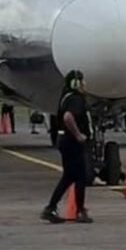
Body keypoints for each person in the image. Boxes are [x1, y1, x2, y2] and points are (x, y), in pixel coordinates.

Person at [41, 70, 94, 224]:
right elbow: (68, 117)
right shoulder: (75, 99)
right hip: (72, 142)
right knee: (80, 177)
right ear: (76, 83)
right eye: (82, 81)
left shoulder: (68, 97)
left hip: (66, 141)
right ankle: (79, 210)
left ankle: (51, 208)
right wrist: (78, 135)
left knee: (69, 177)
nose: (85, 84)